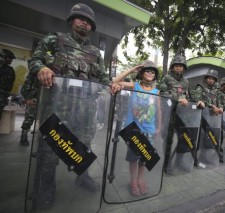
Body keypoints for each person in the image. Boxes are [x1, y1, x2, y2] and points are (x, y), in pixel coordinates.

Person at [28, 3, 121, 209]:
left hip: (85, 111)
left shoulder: (95, 52)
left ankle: (83, 177)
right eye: (81, 19)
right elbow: (35, 59)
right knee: (49, 152)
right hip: (56, 108)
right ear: (72, 20)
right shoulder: (55, 40)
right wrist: (42, 67)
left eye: (89, 22)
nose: (85, 23)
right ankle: (45, 189)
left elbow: (104, 78)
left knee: (84, 147)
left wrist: (112, 84)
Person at [113, 60, 161, 196]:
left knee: (144, 158)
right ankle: (133, 182)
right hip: (134, 129)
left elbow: (158, 111)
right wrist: (132, 69)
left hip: (149, 130)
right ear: (141, 73)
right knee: (133, 158)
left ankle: (141, 180)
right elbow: (115, 81)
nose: (150, 73)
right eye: (147, 70)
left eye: (153, 71)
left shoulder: (157, 91)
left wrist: (159, 128)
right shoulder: (134, 86)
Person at [157, 55, 204, 173]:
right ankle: (166, 164)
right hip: (168, 114)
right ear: (172, 67)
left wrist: (198, 101)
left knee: (184, 139)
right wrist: (177, 98)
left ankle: (179, 161)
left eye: (181, 66)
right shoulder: (166, 78)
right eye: (176, 66)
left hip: (183, 115)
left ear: (184, 68)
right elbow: (162, 93)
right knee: (168, 140)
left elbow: (190, 97)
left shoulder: (186, 82)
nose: (179, 68)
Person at [20, 73, 38, 146]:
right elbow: (24, 88)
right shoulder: (34, 74)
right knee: (29, 118)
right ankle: (23, 138)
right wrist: (27, 99)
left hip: (44, 99)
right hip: (33, 100)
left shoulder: (53, 74)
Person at [0, 49, 16, 119]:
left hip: (3, 96)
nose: (11, 60)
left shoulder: (10, 70)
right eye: (9, 58)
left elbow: (11, 82)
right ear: (4, 57)